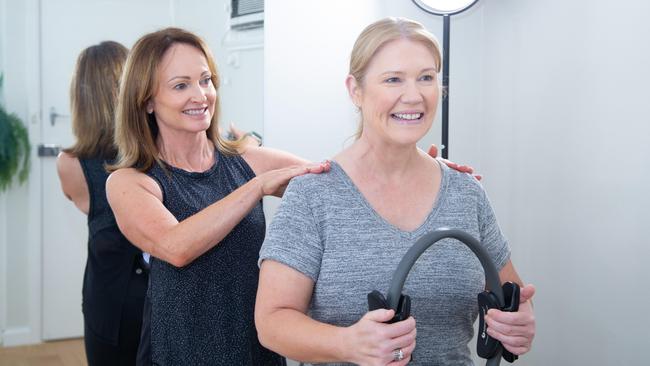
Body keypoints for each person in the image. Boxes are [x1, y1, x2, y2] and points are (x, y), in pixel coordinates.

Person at [255, 17, 536, 366]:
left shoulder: (466, 192)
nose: (414, 95)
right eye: (393, 79)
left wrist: (518, 322)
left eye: (426, 78)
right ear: (355, 90)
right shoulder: (314, 196)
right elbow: (271, 323)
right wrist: (348, 343)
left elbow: (511, 294)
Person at [104, 28, 332, 365]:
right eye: (181, 85)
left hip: (255, 346)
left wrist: (423, 168)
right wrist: (256, 187)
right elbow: (176, 246)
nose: (201, 95)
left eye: (206, 80)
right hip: (181, 351)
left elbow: (333, 181)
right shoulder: (131, 181)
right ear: (147, 100)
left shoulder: (248, 161)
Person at [56, 41, 148, 366]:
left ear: (80, 98)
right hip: (158, 294)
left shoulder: (70, 163)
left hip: (108, 297)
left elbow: (81, 201)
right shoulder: (155, 151)